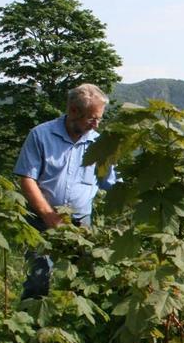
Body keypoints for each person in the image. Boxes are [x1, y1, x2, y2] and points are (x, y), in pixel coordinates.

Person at [14, 83, 117, 298]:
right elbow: (27, 178)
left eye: (99, 118)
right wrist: (49, 216)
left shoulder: (99, 144)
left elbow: (111, 182)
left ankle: (72, 326)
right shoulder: (41, 135)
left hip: (81, 223)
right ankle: (33, 325)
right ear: (73, 111)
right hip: (42, 220)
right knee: (39, 279)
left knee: (82, 281)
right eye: (92, 118)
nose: (96, 125)